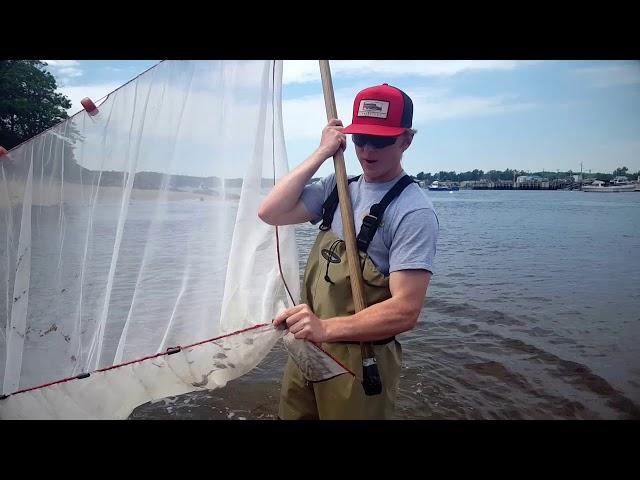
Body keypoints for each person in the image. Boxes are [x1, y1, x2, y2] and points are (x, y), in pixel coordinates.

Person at [258, 83, 439, 419]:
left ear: (406, 140)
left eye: (381, 140)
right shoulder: (338, 186)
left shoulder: (413, 212)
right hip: (308, 348)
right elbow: (270, 211)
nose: (368, 149)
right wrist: (321, 153)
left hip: (361, 361)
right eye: (360, 138)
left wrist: (326, 328)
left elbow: (406, 310)